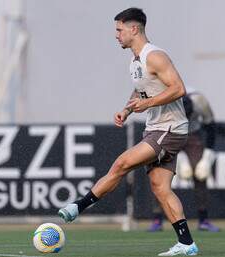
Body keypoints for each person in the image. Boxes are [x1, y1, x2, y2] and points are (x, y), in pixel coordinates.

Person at [58, 7, 198, 256]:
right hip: (157, 128)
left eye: (119, 29)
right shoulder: (134, 61)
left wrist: (147, 104)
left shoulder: (155, 56)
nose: (116, 35)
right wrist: (127, 110)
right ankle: (187, 243)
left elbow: (178, 88)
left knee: (122, 163)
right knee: (160, 188)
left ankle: (78, 207)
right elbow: (142, 91)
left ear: (134, 29)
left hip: (169, 128)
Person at [148, 88, 220, 233]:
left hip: (193, 134)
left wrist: (206, 159)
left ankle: (203, 219)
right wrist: (180, 158)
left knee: (200, 173)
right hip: (168, 132)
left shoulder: (199, 102)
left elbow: (211, 128)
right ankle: (157, 219)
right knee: (159, 174)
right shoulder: (164, 103)